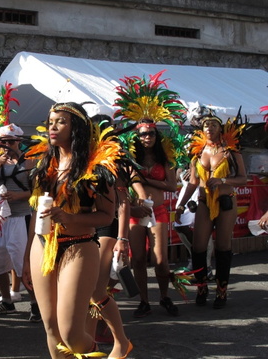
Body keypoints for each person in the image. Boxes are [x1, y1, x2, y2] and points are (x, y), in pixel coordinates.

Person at [22, 102, 131, 359]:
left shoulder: (96, 167)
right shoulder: (44, 165)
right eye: (50, 121)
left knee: (70, 333)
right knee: (51, 328)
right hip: (43, 245)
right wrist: (27, 256)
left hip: (79, 245)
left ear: (77, 128)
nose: (53, 126)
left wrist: (70, 216)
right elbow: (36, 214)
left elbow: (106, 215)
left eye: (61, 121)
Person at [113, 70, 187, 318]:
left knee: (161, 261)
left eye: (152, 133)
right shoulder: (129, 159)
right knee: (138, 260)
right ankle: (144, 301)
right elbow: (123, 184)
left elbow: (172, 186)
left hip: (159, 211)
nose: (147, 137)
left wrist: (145, 179)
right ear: (137, 135)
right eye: (143, 133)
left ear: (157, 135)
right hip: (136, 213)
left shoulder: (164, 157)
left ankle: (165, 297)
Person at [175, 107, 247, 308]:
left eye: (214, 125)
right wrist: (180, 205)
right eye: (206, 125)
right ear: (202, 129)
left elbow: (243, 178)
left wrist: (224, 180)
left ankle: (221, 292)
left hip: (225, 203)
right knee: (198, 248)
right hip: (204, 203)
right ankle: (202, 287)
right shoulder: (197, 153)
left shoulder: (231, 152)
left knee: (223, 247)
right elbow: (193, 182)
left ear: (220, 128)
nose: (209, 128)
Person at [85, 114, 133, 356]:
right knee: (86, 290)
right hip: (83, 229)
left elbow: (124, 202)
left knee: (95, 290)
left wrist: (122, 239)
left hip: (107, 228)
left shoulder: (114, 159)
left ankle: (116, 342)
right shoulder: (81, 157)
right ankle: (91, 340)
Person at [0, 124, 40, 322]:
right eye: (3, 142)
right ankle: (7, 300)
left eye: (10, 141)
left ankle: (36, 303)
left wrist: (18, 196)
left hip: (20, 217)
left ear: (19, 141)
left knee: (22, 261)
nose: (6, 146)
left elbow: (37, 192)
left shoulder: (30, 162)